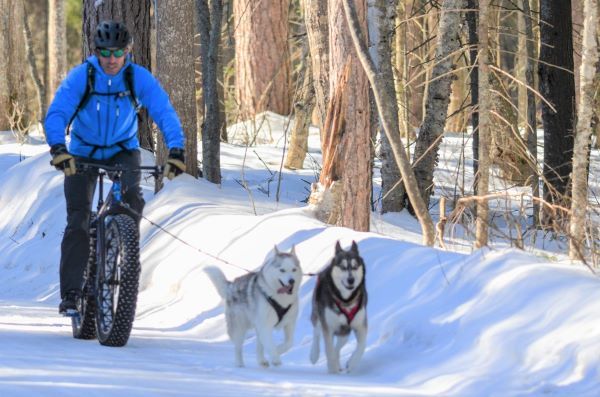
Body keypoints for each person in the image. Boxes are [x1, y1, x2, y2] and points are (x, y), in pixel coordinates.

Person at [45, 20, 186, 315]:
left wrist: (176, 150)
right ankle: (71, 293)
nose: (112, 59)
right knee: (78, 220)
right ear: (96, 51)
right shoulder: (82, 77)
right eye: (106, 52)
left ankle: (122, 248)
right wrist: (59, 148)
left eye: (118, 52)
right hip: (82, 152)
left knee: (132, 200)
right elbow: (58, 112)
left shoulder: (137, 78)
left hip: (123, 151)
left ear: (128, 51)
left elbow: (163, 111)